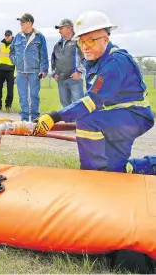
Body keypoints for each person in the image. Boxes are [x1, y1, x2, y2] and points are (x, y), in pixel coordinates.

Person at [33, 11, 155, 175]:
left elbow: (91, 101)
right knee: (115, 170)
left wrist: (54, 117)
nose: (85, 46)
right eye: (81, 41)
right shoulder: (94, 61)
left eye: (91, 40)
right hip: (116, 117)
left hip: (133, 116)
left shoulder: (115, 62)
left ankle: (91, 175)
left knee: (88, 120)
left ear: (106, 39)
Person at [10, 13, 49, 121]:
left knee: (34, 95)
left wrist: (44, 70)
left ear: (30, 23)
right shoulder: (17, 36)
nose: (20, 24)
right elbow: (11, 52)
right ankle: (25, 119)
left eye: (23, 22)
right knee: (22, 96)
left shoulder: (39, 37)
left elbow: (44, 55)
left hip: (34, 72)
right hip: (21, 72)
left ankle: (35, 118)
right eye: (20, 22)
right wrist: (16, 61)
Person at [51, 19, 84, 109]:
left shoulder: (78, 41)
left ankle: (80, 123)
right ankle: (69, 122)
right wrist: (54, 73)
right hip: (61, 79)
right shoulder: (58, 44)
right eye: (59, 28)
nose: (59, 31)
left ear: (70, 28)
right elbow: (53, 59)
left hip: (74, 79)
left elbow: (84, 57)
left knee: (78, 104)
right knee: (65, 105)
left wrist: (79, 71)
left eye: (61, 28)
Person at [0, 30, 15, 112]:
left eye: (8, 35)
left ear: (11, 36)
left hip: (10, 70)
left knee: (10, 91)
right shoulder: (0, 45)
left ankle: (8, 105)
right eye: (6, 35)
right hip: (0, 69)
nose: (7, 37)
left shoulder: (14, 45)